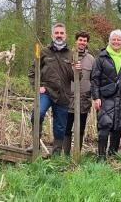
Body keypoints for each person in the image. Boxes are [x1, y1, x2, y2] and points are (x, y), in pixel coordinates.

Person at [28, 23, 78, 155]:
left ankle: (56, 153)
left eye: (61, 33)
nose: (59, 36)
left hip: (63, 94)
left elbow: (76, 78)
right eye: (57, 33)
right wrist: (37, 87)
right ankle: (35, 145)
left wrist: (78, 70)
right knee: (37, 114)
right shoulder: (43, 52)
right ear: (52, 35)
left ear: (65, 35)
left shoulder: (71, 54)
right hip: (47, 92)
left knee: (60, 126)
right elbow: (32, 73)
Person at [91, 30, 121, 158]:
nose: (116, 42)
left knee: (118, 126)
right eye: (114, 40)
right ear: (109, 41)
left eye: (119, 40)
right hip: (105, 97)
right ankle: (101, 156)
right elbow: (95, 79)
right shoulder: (101, 57)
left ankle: (113, 153)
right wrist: (96, 97)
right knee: (104, 125)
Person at [68, 31, 95, 155]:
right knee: (67, 127)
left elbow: (94, 79)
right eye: (80, 40)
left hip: (84, 98)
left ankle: (77, 154)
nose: (82, 42)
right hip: (68, 97)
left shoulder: (91, 59)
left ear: (87, 43)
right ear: (76, 41)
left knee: (80, 128)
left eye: (85, 40)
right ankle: (65, 153)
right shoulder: (68, 56)